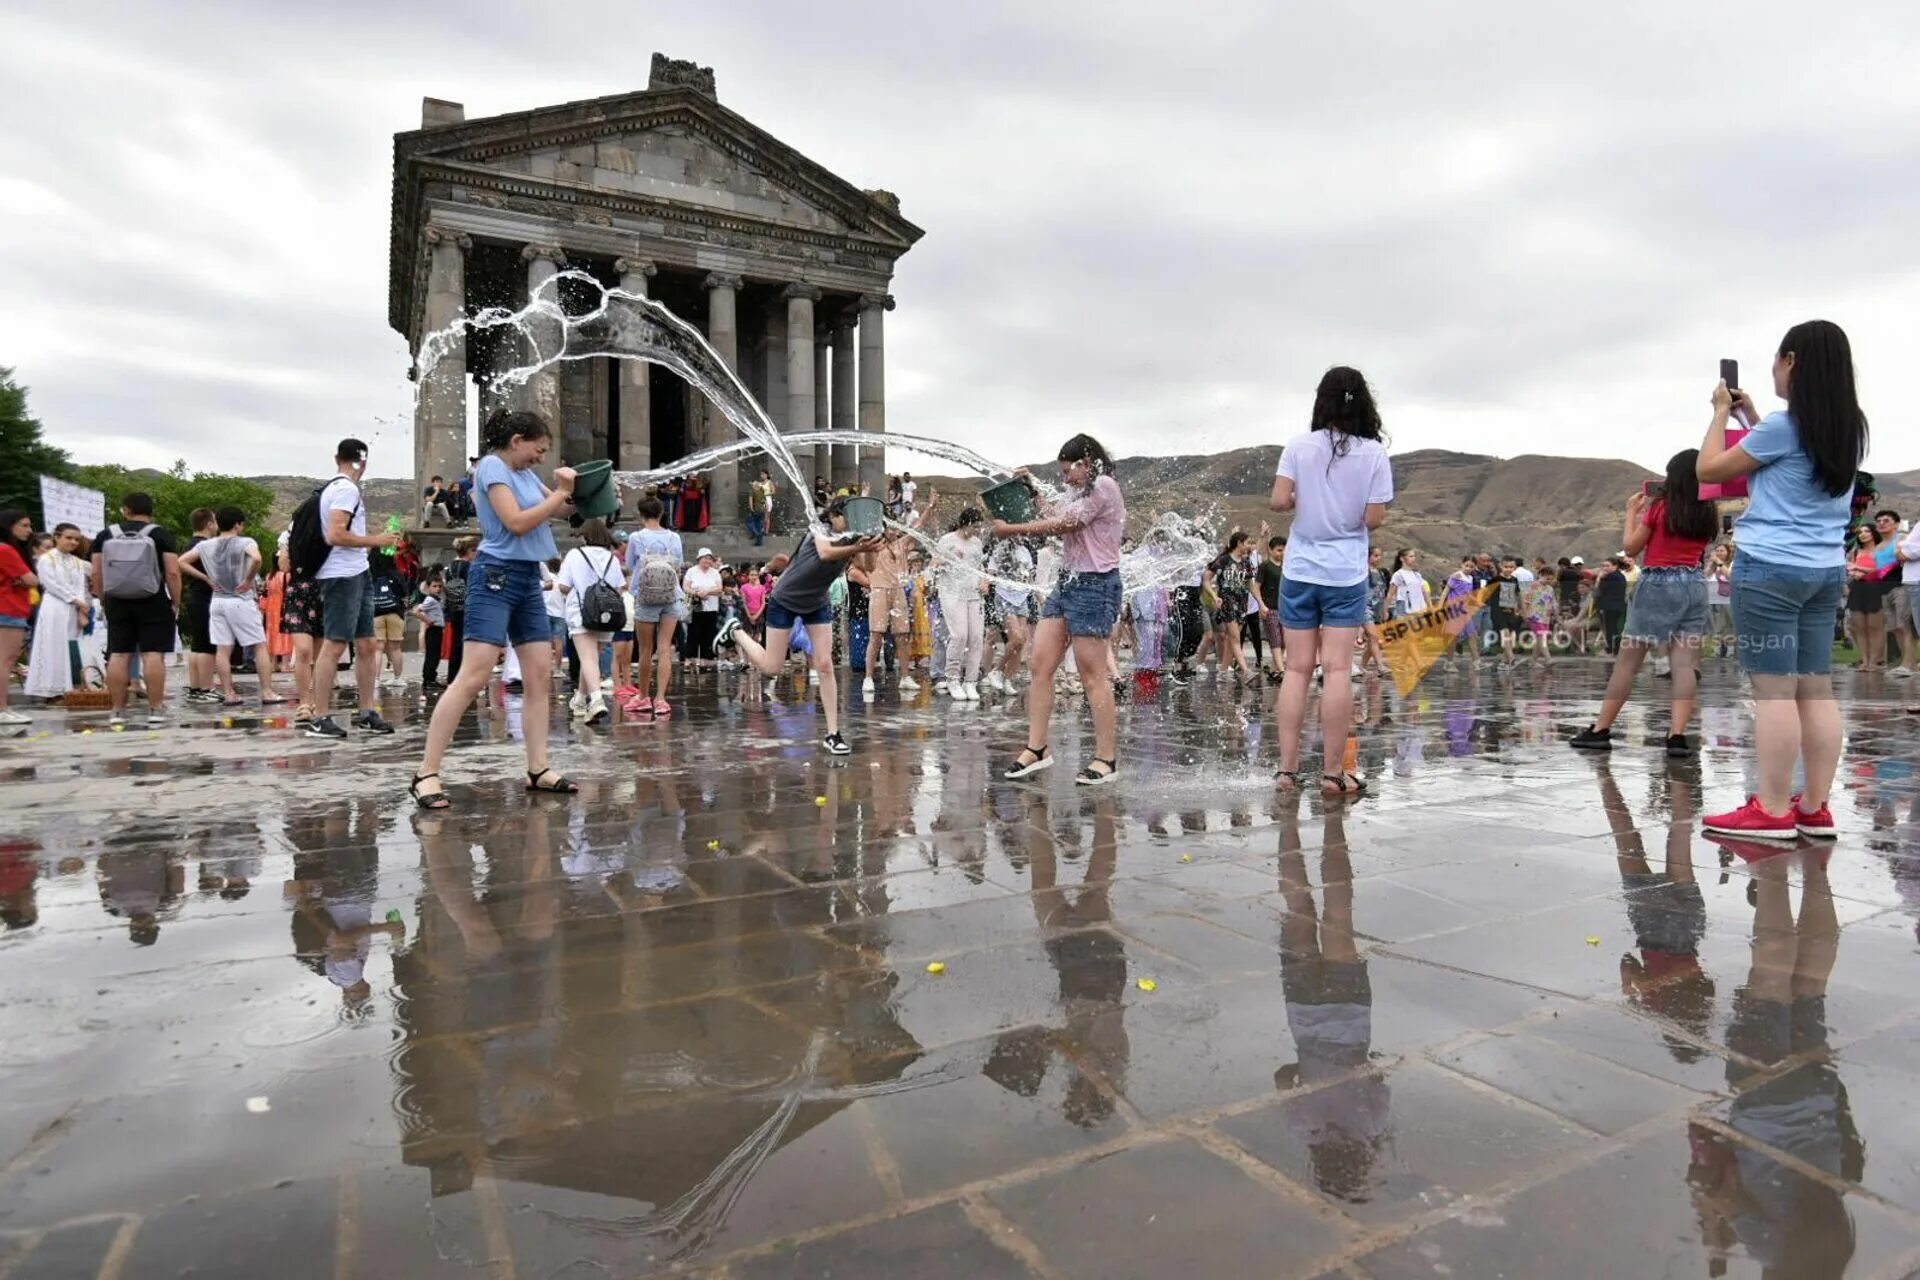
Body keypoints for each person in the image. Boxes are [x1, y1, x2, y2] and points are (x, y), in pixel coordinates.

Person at [1695, 320, 1866, 840]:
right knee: (1815, 690)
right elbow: (1790, 456)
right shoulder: (1849, 426)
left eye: (1777, 358)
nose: (1773, 367)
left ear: (1792, 361)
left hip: (1770, 570)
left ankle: (1770, 810)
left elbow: (1708, 469)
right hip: (1823, 571)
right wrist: (1752, 415)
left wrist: (1722, 412)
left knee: (1773, 694)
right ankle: (1813, 807)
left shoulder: (1783, 426)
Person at [411, 410, 579, 809]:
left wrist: (586, 496)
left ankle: (538, 767)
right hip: (494, 577)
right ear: (517, 440)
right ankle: (426, 773)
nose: (540, 457)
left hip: (526, 578)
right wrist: (558, 492)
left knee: (539, 675)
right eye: (538, 449)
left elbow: (557, 510)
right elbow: (517, 522)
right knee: (473, 676)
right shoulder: (491, 466)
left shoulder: (524, 475)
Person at [1270, 367, 1393, 796]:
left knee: (1297, 670)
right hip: (1345, 572)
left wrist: (1307, 501)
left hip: (1300, 568)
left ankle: (1286, 772)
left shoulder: (1299, 447)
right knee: (1338, 670)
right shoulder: (1374, 453)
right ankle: (1332, 774)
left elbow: (1279, 500)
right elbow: (1374, 518)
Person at [994, 433, 1128, 785]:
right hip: (1068, 582)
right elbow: (1057, 514)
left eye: (1070, 470)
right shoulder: (1077, 492)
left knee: (1092, 674)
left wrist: (1013, 530)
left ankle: (1106, 759)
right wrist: (1032, 492)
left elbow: (1068, 524)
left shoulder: (1104, 486)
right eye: (1064, 472)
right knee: (1040, 663)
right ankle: (1037, 748)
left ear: (1087, 462)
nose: (1066, 478)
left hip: (1096, 585)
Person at [1570, 453, 1718, 756]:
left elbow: (1630, 549)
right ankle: (1677, 736)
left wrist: (1632, 513)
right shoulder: (1708, 511)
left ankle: (1601, 729)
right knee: (1685, 666)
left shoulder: (1660, 509)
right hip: (1693, 583)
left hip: (1659, 584)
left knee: (1628, 663)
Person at [713, 497, 880, 754]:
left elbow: (869, 567)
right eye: (845, 517)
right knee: (771, 666)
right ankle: (735, 630)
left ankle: (833, 734)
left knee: (825, 664)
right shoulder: (819, 528)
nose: (849, 523)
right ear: (833, 516)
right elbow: (825, 553)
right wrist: (856, 546)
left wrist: (869, 548)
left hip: (817, 602)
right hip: (785, 600)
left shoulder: (851, 539)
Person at [306, 439, 399, 740]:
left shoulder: (336, 487)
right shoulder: (346, 489)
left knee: (367, 644)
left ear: (337, 458)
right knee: (334, 644)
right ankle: (319, 716)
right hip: (342, 575)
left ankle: (366, 710)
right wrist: (377, 540)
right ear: (364, 461)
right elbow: (336, 534)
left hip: (357, 572)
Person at [88, 493, 182, 727]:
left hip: (117, 599)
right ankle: (155, 708)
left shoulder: (105, 535)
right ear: (150, 511)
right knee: (153, 654)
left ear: (125, 510)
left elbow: (97, 572)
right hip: (152, 598)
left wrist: (103, 599)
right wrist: (176, 601)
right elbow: (172, 572)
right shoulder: (160, 534)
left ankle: (117, 710)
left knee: (119, 654)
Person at [178, 506, 287, 707]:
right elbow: (256, 558)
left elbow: (182, 561)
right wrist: (248, 578)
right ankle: (267, 691)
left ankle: (228, 693)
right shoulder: (245, 542)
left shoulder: (206, 546)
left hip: (218, 600)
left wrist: (206, 578)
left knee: (222, 648)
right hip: (240, 599)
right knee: (259, 645)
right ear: (238, 524)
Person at [557, 518, 625, 724]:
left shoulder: (574, 555)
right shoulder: (612, 558)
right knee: (592, 659)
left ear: (585, 535)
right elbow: (620, 588)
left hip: (581, 612)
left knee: (587, 659)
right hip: (607, 614)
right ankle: (579, 700)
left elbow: (563, 586)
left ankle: (596, 700)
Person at [621, 496, 685, 717]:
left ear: (641, 515)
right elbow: (678, 565)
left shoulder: (636, 537)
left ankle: (643, 697)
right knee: (665, 648)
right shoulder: (673, 537)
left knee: (646, 650)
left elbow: (629, 566)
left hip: (646, 597)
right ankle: (661, 699)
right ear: (660, 514)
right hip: (671, 596)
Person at [25, 522, 90, 703]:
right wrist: (74, 599)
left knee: (71, 646)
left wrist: (82, 608)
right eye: (69, 538)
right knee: (53, 646)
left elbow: (80, 586)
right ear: (57, 537)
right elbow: (51, 584)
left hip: (73, 608)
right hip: (54, 606)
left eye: (77, 539)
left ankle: (70, 686)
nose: (73, 542)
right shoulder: (48, 559)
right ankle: (51, 689)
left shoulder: (77, 562)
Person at [934, 509, 991, 699]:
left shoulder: (976, 543)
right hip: (952, 593)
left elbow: (980, 567)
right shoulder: (947, 540)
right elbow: (934, 564)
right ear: (964, 523)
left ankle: (971, 681)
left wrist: (984, 581)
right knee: (959, 635)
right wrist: (947, 559)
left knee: (976, 637)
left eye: (979, 527)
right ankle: (952, 678)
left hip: (973, 593)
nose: (977, 531)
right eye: (974, 527)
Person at [858, 525, 918, 697]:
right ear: (883, 530)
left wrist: (929, 509)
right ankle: (868, 677)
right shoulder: (874, 545)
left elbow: (916, 529)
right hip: (879, 589)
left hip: (898, 589)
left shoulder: (900, 544)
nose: (895, 532)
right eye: (891, 529)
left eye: (896, 529)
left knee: (902, 634)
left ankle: (905, 677)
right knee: (876, 634)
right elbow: (868, 566)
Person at [0, 511, 38, 725]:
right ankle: (2, 708)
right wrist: (25, 581)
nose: (29, 530)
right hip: (9, 609)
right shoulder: (6, 550)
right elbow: (31, 579)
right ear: (10, 526)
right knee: (5, 661)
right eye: (24, 525)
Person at [1203, 530, 1257, 682]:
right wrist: (1214, 595)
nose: (1249, 546)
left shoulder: (1246, 562)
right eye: (1247, 543)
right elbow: (1206, 579)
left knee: (1230, 639)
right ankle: (1245, 671)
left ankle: (1223, 672)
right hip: (1227, 602)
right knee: (1235, 637)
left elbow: (1251, 586)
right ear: (1239, 543)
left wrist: (1261, 603)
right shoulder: (1223, 560)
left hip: (1242, 603)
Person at [179, 508, 219, 704]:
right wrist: (206, 578)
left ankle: (195, 687)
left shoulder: (189, 544)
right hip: (205, 597)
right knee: (206, 646)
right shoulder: (205, 546)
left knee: (196, 645)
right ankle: (206, 688)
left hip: (194, 597)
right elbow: (181, 563)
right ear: (209, 524)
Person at [369, 552, 409, 690]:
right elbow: (405, 593)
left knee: (377, 649)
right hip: (395, 613)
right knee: (396, 648)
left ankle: (375, 679)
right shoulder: (396, 574)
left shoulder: (369, 575)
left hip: (375, 614)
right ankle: (397, 678)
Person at [681, 547, 724, 667]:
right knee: (693, 632)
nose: (708, 561)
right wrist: (697, 593)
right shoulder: (692, 571)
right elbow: (685, 587)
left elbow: (719, 589)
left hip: (711, 607)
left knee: (709, 632)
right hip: (695, 606)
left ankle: (707, 658)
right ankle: (690, 657)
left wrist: (707, 592)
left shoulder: (715, 572)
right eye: (705, 558)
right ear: (699, 559)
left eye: (710, 559)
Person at [412, 575, 446, 690]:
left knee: (435, 655)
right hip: (433, 629)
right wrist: (427, 621)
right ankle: (429, 679)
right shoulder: (430, 600)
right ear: (428, 587)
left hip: (437, 629)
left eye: (440, 586)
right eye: (434, 586)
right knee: (432, 656)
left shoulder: (436, 599)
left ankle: (430, 678)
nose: (438, 589)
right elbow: (416, 611)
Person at [1704, 542, 1735, 659]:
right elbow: (1705, 576)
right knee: (1716, 627)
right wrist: (1711, 564)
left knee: (1729, 626)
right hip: (1712, 600)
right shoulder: (1712, 565)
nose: (1719, 553)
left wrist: (1718, 562)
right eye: (1717, 551)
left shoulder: (1731, 564)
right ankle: (1717, 651)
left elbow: (1729, 576)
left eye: (1722, 551)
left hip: (1727, 600)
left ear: (1728, 553)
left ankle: (1730, 651)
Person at [1594, 556, 1629, 655]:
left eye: (1607, 566)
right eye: (1603, 566)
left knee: (1610, 629)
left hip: (1608, 606)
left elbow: (1597, 592)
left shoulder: (1610, 577)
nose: (1605, 568)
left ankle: (1612, 650)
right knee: (1614, 628)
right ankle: (1614, 649)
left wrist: (1599, 578)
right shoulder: (1621, 576)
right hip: (1618, 606)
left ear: (1615, 566)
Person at [1386, 548, 1429, 619]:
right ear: (1402, 559)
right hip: (1405, 610)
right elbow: (1390, 594)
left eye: (1414, 556)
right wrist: (1385, 610)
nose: (1414, 558)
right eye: (1411, 556)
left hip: (1420, 610)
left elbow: (1424, 592)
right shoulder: (1398, 575)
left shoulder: (1417, 575)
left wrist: (1430, 607)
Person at [747, 469, 773, 546]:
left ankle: (756, 533)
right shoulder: (761, 491)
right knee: (759, 523)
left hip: (756, 508)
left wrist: (751, 508)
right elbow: (765, 501)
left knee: (749, 521)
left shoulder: (752, 490)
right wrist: (765, 509)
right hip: (762, 508)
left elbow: (750, 500)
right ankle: (759, 541)